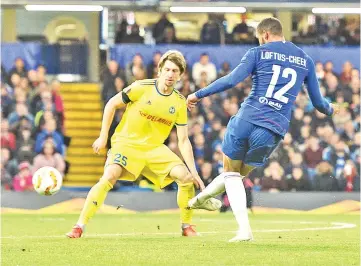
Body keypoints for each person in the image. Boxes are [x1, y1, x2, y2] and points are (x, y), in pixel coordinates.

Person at [186, 17, 338, 242]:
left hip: (247, 119)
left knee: (231, 173)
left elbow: (231, 80)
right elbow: (318, 103)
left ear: (265, 35)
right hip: (273, 129)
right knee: (236, 176)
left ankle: (242, 229)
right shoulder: (305, 60)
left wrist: (198, 94)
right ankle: (201, 200)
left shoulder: (258, 53)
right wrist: (330, 109)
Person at [66, 50, 221, 238]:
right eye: (168, 70)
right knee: (109, 176)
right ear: (160, 70)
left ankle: (186, 226)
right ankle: (79, 226)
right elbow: (111, 104)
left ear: (180, 75)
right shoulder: (141, 87)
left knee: (185, 178)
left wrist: (194, 171)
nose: (170, 74)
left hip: (154, 149)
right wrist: (103, 136)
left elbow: (183, 140)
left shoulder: (179, 102)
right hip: (126, 144)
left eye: (175, 71)